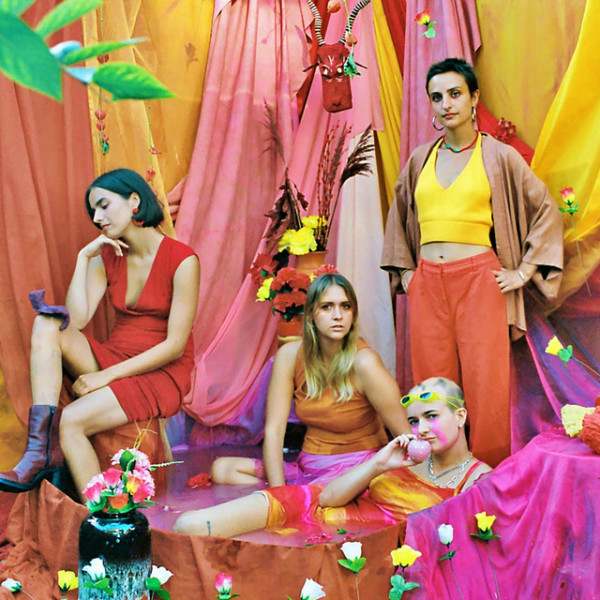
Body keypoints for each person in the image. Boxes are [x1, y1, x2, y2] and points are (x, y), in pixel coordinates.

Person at [381, 57, 563, 467]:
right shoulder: (419, 160)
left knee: (487, 385)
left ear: (474, 97)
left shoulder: (498, 156)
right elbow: (399, 218)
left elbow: (546, 210)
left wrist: (524, 271)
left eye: (455, 94)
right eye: (437, 97)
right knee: (432, 386)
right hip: (428, 284)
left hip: (480, 282)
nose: (446, 104)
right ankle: (439, 473)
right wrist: (408, 274)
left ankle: (486, 478)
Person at [0, 168, 200, 498]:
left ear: (134, 201)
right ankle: (40, 449)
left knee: (72, 420)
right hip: (115, 355)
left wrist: (105, 377)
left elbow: (175, 346)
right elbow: (75, 320)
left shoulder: (183, 260)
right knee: (47, 322)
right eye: (93, 211)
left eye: (104, 205)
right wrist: (84, 258)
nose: (97, 218)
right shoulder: (107, 255)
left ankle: (104, 513)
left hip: (160, 371)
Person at [174, 377, 490, 537]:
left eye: (431, 416)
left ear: (460, 416)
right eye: (414, 421)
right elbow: (327, 498)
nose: (421, 429)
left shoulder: (479, 479)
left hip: (351, 545)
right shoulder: (403, 458)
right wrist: (378, 464)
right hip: (308, 505)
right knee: (190, 526)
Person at [210, 273, 409, 487]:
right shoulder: (290, 356)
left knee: (327, 493)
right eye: (327, 307)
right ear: (312, 314)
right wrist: (279, 492)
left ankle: (309, 496)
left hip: (357, 470)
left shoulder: (365, 363)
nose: (338, 315)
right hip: (309, 467)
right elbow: (275, 430)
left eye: (345, 306)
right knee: (222, 468)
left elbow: (405, 436)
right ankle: (300, 495)